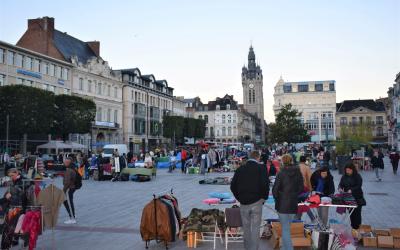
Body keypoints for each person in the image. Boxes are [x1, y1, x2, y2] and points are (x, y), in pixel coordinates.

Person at [230, 151, 269, 250]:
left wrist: (239, 197)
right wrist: (264, 198)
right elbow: (265, 185)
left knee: (246, 228)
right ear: (258, 158)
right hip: (257, 201)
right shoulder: (262, 168)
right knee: (255, 228)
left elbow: (232, 186)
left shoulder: (240, 169)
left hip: (244, 202)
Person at [272, 154, 304, 250]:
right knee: (287, 228)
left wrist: (277, 197)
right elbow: (301, 188)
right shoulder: (298, 172)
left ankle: (289, 248)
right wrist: (294, 194)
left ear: (282, 161)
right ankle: (284, 248)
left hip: (282, 204)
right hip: (293, 203)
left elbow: (275, 190)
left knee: (285, 229)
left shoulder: (281, 173)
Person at [338, 162, 365, 229]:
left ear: (352, 169)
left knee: (357, 214)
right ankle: (353, 228)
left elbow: (359, 186)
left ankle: (357, 228)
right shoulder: (344, 176)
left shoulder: (357, 176)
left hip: (357, 198)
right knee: (351, 214)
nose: (348, 172)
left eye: (349, 170)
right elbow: (341, 184)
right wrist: (340, 188)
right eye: (346, 170)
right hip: (348, 198)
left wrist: (351, 190)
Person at [63, 157, 77, 224]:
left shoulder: (69, 170)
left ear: (68, 163)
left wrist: (64, 190)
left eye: (65, 162)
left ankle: (72, 218)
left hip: (69, 188)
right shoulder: (72, 168)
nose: (64, 163)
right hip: (71, 187)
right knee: (67, 202)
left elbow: (67, 182)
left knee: (68, 202)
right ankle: (72, 215)